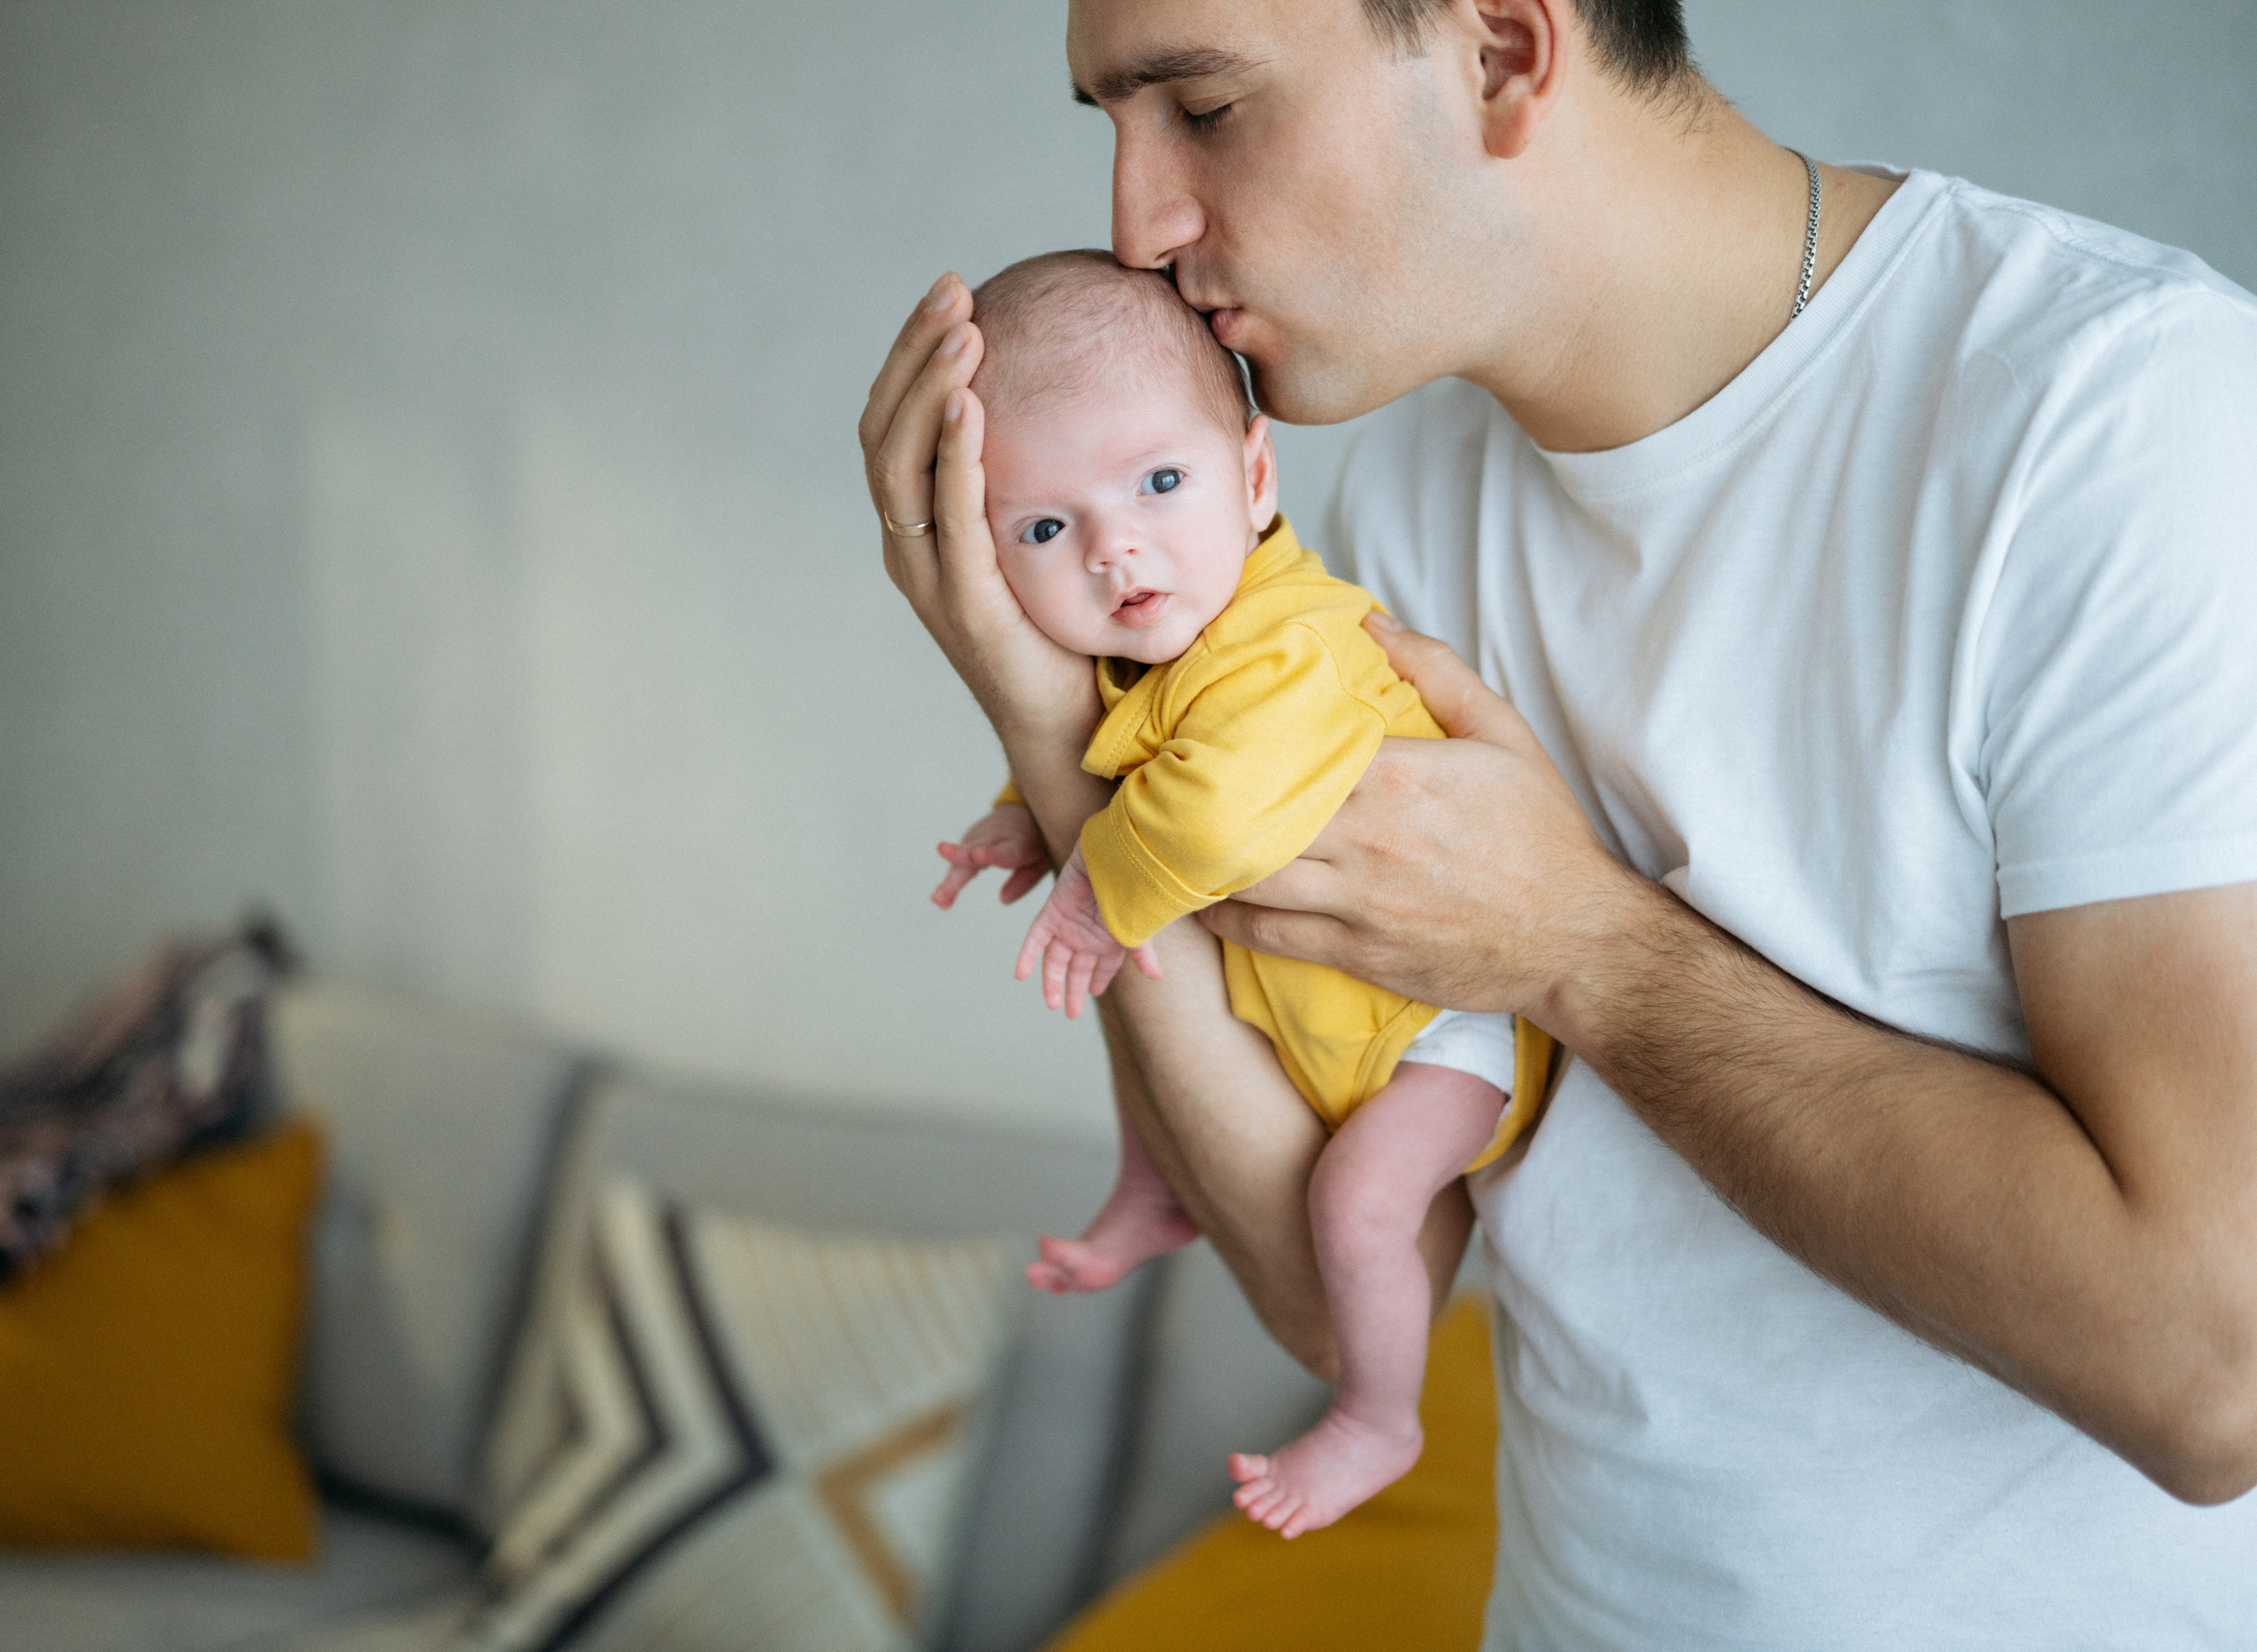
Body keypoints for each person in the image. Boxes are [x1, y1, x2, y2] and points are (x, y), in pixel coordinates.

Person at [864, 0, 2257, 1641]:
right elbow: (1328, 1298)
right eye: (1114, 123)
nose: (1138, 224)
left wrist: (1584, 948)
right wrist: (1049, 722)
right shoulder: (1385, 508)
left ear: (1505, 54)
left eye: (1206, 109)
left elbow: (2209, 1369)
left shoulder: (2118, 420)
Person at [931, 249, 1556, 1537]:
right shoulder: (1147, 661)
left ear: (1256, 477)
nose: (1119, 549)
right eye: (1046, 528)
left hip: (1441, 1032)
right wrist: (1019, 823)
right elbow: (1112, 760)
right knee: (1129, 974)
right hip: (1312, 1010)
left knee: (1362, 1199)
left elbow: (1205, 806)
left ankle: (1381, 1417)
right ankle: (1162, 1180)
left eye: (1160, 482)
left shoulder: (1287, 638)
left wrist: (1094, 884)